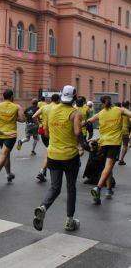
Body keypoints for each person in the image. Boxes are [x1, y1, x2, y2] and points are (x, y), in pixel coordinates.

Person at [33, 85, 86, 232]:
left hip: (53, 155)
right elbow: (77, 132)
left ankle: (43, 207)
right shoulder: (75, 113)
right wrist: (81, 146)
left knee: (55, 187)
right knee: (71, 188)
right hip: (70, 156)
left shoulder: (51, 110)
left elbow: (47, 133)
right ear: (75, 97)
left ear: (62, 95)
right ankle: (69, 221)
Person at [87, 96, 131, 204]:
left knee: (108, 167)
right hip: (114, 143)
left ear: (102, 104)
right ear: (112, 102)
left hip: (103, 143)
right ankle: (98, 188)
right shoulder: (119, 110)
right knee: (108, 166)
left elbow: (88, 121)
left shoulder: (101, 113)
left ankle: (108, 189)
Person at [0, 89, 25, 188]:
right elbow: (22, 119)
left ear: (3, 97)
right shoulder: (17, 106)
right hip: (11, 134)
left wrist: (0, 117)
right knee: (4, 154)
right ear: (12, 96)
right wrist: (14, 118)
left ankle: (9, 174)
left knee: (6, 154)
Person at [33, 94, 61, 182]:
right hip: (54, 131)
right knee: (50, 151)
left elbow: (34, 116)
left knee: (48, 149)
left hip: (43, 130)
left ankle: (43, 172)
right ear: (58, 100)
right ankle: (42, 171)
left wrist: (39, 123)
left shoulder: (45, 107)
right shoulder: (58, 108)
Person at [118, 100, 130, 165]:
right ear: (128, 105)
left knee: (116, 145)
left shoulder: (118, 111)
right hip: (125, 131)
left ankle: (113, 158)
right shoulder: (128, 112)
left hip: (117, 130)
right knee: (125, 145)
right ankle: (121, 159)